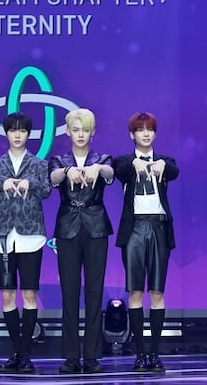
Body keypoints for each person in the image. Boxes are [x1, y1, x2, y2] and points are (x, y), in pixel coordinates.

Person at [0, 113, 52, 374]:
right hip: (2, 235)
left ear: (28, 134)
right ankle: (17, 352)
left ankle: (26, 354)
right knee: (7, 294)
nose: (17, 135)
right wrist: (4, 183)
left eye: (22, 131)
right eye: (13, 130)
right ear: (6, 133)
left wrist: (28, 182)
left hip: (31, 235)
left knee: (29, 294)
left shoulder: (38, 164)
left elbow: (46, 189)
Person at [48, 108, 115, 374]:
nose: (80, 135)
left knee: (94, 292)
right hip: (68, 228)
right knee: (69, 293)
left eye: (85, 130)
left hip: (96, 227)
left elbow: (110, 172)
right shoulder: (59, 160)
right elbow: (53, 178)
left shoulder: (102, 158)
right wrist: (67, 171)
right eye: (76, 130)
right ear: (68, 132)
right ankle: (71, 357)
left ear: (92, 132)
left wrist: (97, 168)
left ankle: (92, 356)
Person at [112, 112, 179, 373]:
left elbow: (174, 171)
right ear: (132, 134)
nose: (146, 133)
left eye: (149, 129)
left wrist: (160, 164)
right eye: (140, 129)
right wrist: (134, 164)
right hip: (135, 228)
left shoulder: (165, 161)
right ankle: (139, 354)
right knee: (135, 292)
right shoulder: (124, 162)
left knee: (157, 292)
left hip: (159, 227)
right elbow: (117, 169)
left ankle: (154, 353)